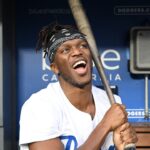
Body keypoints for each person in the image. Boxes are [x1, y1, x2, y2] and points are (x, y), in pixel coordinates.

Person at [19, 22, 138, 150]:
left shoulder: (112, 102)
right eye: (66, 49)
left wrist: (123, 147)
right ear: (55, 68)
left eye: (83, 46)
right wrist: (105, 124)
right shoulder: (39, 105)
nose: (77, 52)